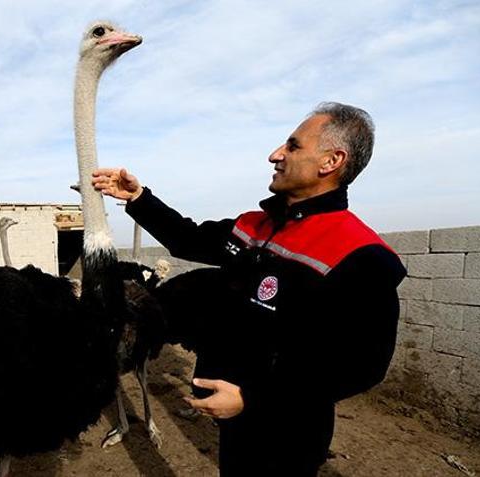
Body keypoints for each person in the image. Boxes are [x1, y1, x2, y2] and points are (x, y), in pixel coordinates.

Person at [92, 102, 406, 476]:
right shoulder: (255, 226)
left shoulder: (361, 255)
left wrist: (251, 399)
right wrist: (139, 198)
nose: (275, 155)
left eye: (292, 146)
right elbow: (190, 239)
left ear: (331, 162)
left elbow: (363, 365)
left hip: (286, 428)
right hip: (231, 413)